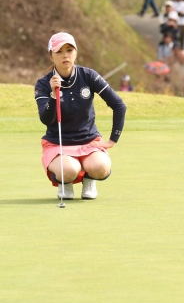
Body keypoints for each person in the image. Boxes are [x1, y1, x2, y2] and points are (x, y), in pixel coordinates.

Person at [34, 32, 126, 201]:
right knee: (69, 170)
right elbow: (46, 119)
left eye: (69, 50)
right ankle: (65, 183)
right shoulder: (43, 83)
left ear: (76, 53)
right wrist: (54, 95)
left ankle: (89, 179)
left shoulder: (88, 76)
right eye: (59, 51)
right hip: (58, 144)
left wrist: (113, 140)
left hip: (89, 142)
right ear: (51, 56)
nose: (65, 55)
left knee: (101, 167)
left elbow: (119, 105)